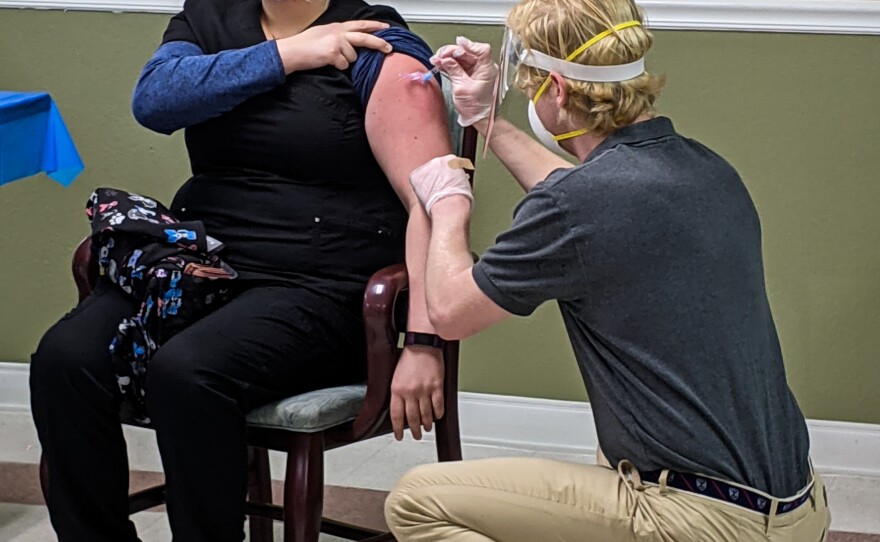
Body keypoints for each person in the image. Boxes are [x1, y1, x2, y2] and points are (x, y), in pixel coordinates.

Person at [384, 0, 831, 540]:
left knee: (416, 501)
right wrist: (487, 120)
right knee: (607, 454)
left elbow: (451, 312)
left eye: (527, 84)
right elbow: (577, 199)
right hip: (799, 510)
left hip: (703, 521)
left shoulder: (583, 206)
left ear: (557, 89)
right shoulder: (708, 172)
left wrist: (450, 204)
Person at [29, 0, 453, 540]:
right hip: (201, 270)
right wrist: (288, 55)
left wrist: (423, 340)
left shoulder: (375, 40)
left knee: (187, 372)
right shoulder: (209, 18)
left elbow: (434, 203)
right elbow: (155, 101)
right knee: (64, 359)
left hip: (319, 286)